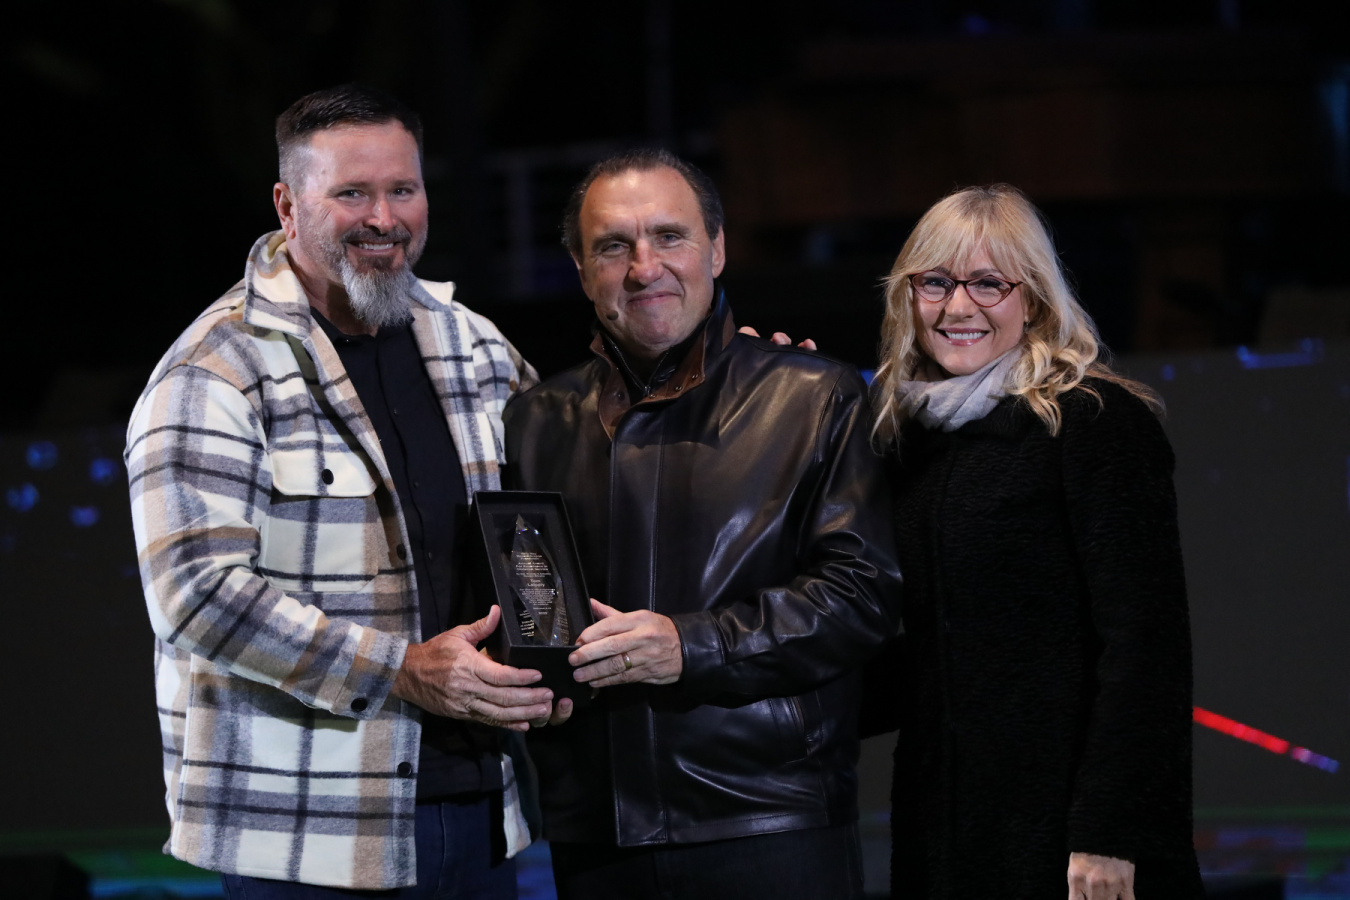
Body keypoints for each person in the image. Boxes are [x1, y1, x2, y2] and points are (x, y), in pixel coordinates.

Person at [125, 84, 557, 897]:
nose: (384, 218)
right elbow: (195, 595)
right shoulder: (213, 369)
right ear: (288, 207)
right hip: (305, 836)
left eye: (403, 189)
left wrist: (730, 374)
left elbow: (565, 504)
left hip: (480, 809)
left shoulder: (474, 346)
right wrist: (403, 670)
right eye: (352, 193)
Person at [501, 149, 903, 900]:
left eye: (669, 236)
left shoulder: (817, 397)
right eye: (613, 246)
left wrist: (689, 646)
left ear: (716, 249)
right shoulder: (534, 420)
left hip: (769, 821)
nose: (643, 267)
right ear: (582, 271)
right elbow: (532, 610)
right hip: (597, 833)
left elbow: (862, 597)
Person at [862, 184, 1203, 899]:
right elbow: (933, 653)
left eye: (989, 282)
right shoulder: (907, 440)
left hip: (1073, 842)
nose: (958, 307)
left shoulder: (1093, 422)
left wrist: (1110, 831)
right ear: (908, 297)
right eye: (935, 282)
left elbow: (1146, 648)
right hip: (945, 831)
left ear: (1035, 300)